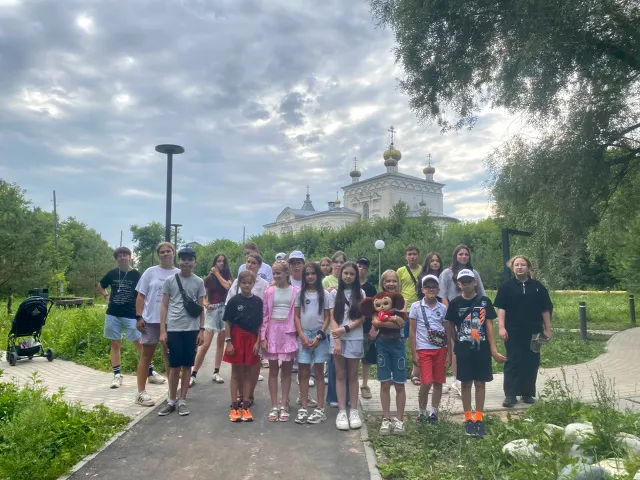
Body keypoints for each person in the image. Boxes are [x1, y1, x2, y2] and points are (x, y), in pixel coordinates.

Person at [445, 269, 505, 438]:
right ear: (458, 284)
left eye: (469, 281)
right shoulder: (455, 303)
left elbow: (489, 326)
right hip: (463, 349)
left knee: (480, 383)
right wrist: (455, 344)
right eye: (462, 282)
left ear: (475, 282)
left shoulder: (484, 301)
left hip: (481, 348)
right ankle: (467, 417)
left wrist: (493, 349)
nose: (466, 285)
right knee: (465, 384)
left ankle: (479, 417)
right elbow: (450, 327)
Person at [495, 255, 553, 408]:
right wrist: (501, 327)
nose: (519, 267)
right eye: (516, 265)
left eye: (523, 265)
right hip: (513, 331)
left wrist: (547, 329)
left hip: (535, 331)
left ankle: (527, 393)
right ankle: (510, 395)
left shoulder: (538, 287)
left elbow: (545, 309)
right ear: (512, 267)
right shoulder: (506, 287)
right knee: (513, 361)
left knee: (531, 361)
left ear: (528, 267)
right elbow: (501, 309)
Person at [157, 246, 205, 416]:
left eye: (190, 259)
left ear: (194, 262)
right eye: (183, 259)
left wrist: (201, 330)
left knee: (187, 366)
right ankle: (171, 400)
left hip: (191, 329)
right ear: (179, 260)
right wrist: (162, 330)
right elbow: (164, 305)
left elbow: (201, 307)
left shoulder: (198, 282)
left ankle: (183, 400)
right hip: (174, 328)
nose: (186, 262)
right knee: (174, 366)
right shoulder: (170, 281)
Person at [133, 242, 178, 407]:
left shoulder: (179, 273)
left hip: (172, 322)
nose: (166, 254)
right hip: (151, 321)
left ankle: (172, 393)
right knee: (146, 356)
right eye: (162, 252)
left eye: (168, 251)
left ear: (174, 253)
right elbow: (140, 296)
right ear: (158, 254)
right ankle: (141, 393)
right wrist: (138, 317)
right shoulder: (150, 272)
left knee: (170, 357)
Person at [439, 244, 486, 395]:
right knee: (456, 346)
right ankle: (457, 380)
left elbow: (482, 294)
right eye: (460, 254)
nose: (463, 257)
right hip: (454, 314)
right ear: (455, 256)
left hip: (473, 316)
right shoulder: (447, 273)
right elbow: (443, 296)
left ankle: (472, 377)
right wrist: (451, 313)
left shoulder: (474, 273)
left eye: (466, 254)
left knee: (473, 344)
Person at [226, 253, 270, 402]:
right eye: (248, 261)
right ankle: (239, 396)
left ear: (259, 266)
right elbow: (229, 309)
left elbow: (265, 311)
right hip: (237, 331)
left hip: (254, 331)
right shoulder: (237, 283)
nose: (250, 264)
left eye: (253, 262)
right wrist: (228, 338)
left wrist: (261, 337)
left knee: (253, 364)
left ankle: (249, 395)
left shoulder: (264, 285)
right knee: (238, 366)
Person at [97, 246, 143, 389]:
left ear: (130, 257)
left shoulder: (136, 274)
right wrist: (106, 295)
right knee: (115, 343)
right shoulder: (112, 273)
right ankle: (117, 375)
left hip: (131, 314)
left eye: (125, 255)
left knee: (139, 342)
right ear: (116, 259)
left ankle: (149, 371)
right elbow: (100, 285)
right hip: (113, 313)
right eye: (119, 256)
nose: (122, 257)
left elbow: (142, 294)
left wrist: (141, 313)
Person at [294, 262, 332, 424]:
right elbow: (296, 316)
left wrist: (319, 335)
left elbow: (328, 317)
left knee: (318, 372)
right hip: (304, 336)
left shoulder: (325, 294)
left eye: (313, 273)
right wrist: (302, 336)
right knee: (303, 372)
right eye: (307, 274)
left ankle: (320, 409)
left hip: (319, 337)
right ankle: (303, 406)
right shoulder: (300, 294)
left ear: (318, 275)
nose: (310, 277)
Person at [409, 275, 450, 425]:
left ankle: (434, 412)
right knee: (426, 382)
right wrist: (414, 352)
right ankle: (421, 412)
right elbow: (412, 331)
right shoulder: (416, 307)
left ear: (438, 290)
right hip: (424, 349)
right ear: (422, 290)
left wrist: (449, 353)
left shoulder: (443, 308)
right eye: (427, 287)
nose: (431, 290)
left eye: (434, 287)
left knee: (438, 382)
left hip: (440, 349)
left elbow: (447, 332)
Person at [261, 261, 299, 422]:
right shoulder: (269, 292)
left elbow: (298, 315)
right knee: (273, 370)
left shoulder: (296, 291)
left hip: (288, 332)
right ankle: (274, 405)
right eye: (274, 273)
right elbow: (264, 315)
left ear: (287, 273)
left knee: (287, 371)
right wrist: (263, 337)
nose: (276, 276)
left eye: (279, 273)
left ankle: (284, 404)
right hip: (272, 332)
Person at [223, 271, 263, 423]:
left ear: (254, 284)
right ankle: (234, 406)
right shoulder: (234, 301)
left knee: (247, 373)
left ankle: (245, 405)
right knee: (235, 373)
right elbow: (227, 322)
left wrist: (257, 342)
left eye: (249, 283)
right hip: (236, 337)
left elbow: (259, 325)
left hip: (251, 339)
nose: (246, 285)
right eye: (244, 283)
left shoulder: (258, 302)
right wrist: (228, 342)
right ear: (239, 283)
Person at [330, 261, 365, 431]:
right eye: (346, 273)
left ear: (356, 276)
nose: (348, 276)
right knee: (340, 374)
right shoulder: (334, 293)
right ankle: (342, 411)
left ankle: (354, 410)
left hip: (354, 337)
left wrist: (346, 328)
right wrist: (337, 339)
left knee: (352, 374)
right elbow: (332, 317)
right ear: (340, 274)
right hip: (337, 339)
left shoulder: (361, 293)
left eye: (352, 274)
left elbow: (362, 317)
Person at [190, 254, 232, 387]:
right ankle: (193, 373)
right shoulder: (209, 279)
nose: (221, 263)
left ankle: (216, 372)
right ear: (215, 263)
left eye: (223, 261)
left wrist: (217, 274)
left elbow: (227, 287)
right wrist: (205, 304)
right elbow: (202, 294)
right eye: (218, 261)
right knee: (205, 344)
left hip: (225, 309)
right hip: (212, 310)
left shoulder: (228, 277)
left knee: (221, 343)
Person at [374, 269, 407, 435]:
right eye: (388, 281)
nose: (391, 284)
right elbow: (374, 322)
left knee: (400, 384)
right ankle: (386, 418)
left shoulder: (401, 301)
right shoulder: (378, 299)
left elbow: (402, 324)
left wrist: (385, 320)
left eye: (394, 281)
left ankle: (400, 420)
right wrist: (394, 318)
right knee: (385, 383)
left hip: (398, 344)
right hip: (382, 344)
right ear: (383, 283)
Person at [411, 251, 445, 387]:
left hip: (438, 308)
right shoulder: (422, 276)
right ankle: (415, 373)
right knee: (421, 336)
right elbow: (412, 332)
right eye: (432, 261)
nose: (435, 263)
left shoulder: (442, 275)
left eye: (437, 261)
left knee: (437, 382)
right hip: (423, 308)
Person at [324, 251, 347, 396]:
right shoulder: (326, 280)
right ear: (332, 264)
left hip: (346, 327)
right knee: (333, 362)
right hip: (331, 327)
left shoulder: (347, 279)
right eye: (336, 262)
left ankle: (345, 395)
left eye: (341, 262)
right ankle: (333, 395)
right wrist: (327, 292)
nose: (338, 265)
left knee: (345, 364)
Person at [356, 257, 377, 400]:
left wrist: (374, 328)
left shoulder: (370, 288)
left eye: (364, 267)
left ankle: (364, 385)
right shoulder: (348, 285)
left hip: (366, 327)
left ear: (367, 270)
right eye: (359, 266)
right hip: (350, 327)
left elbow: (376, 309)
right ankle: (349, 384)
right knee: (350, 359)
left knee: (366, 359)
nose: (361, 269)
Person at [396, 245, 422, 340]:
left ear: (418, 256)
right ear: (406, 256)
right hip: (405, 307)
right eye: (409, 254)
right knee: (403, 336)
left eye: (414, 254)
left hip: (419, 306)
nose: (412, 257)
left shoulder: (423, 270)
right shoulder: (400, 271)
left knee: (419, 336)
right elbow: (398, 289)